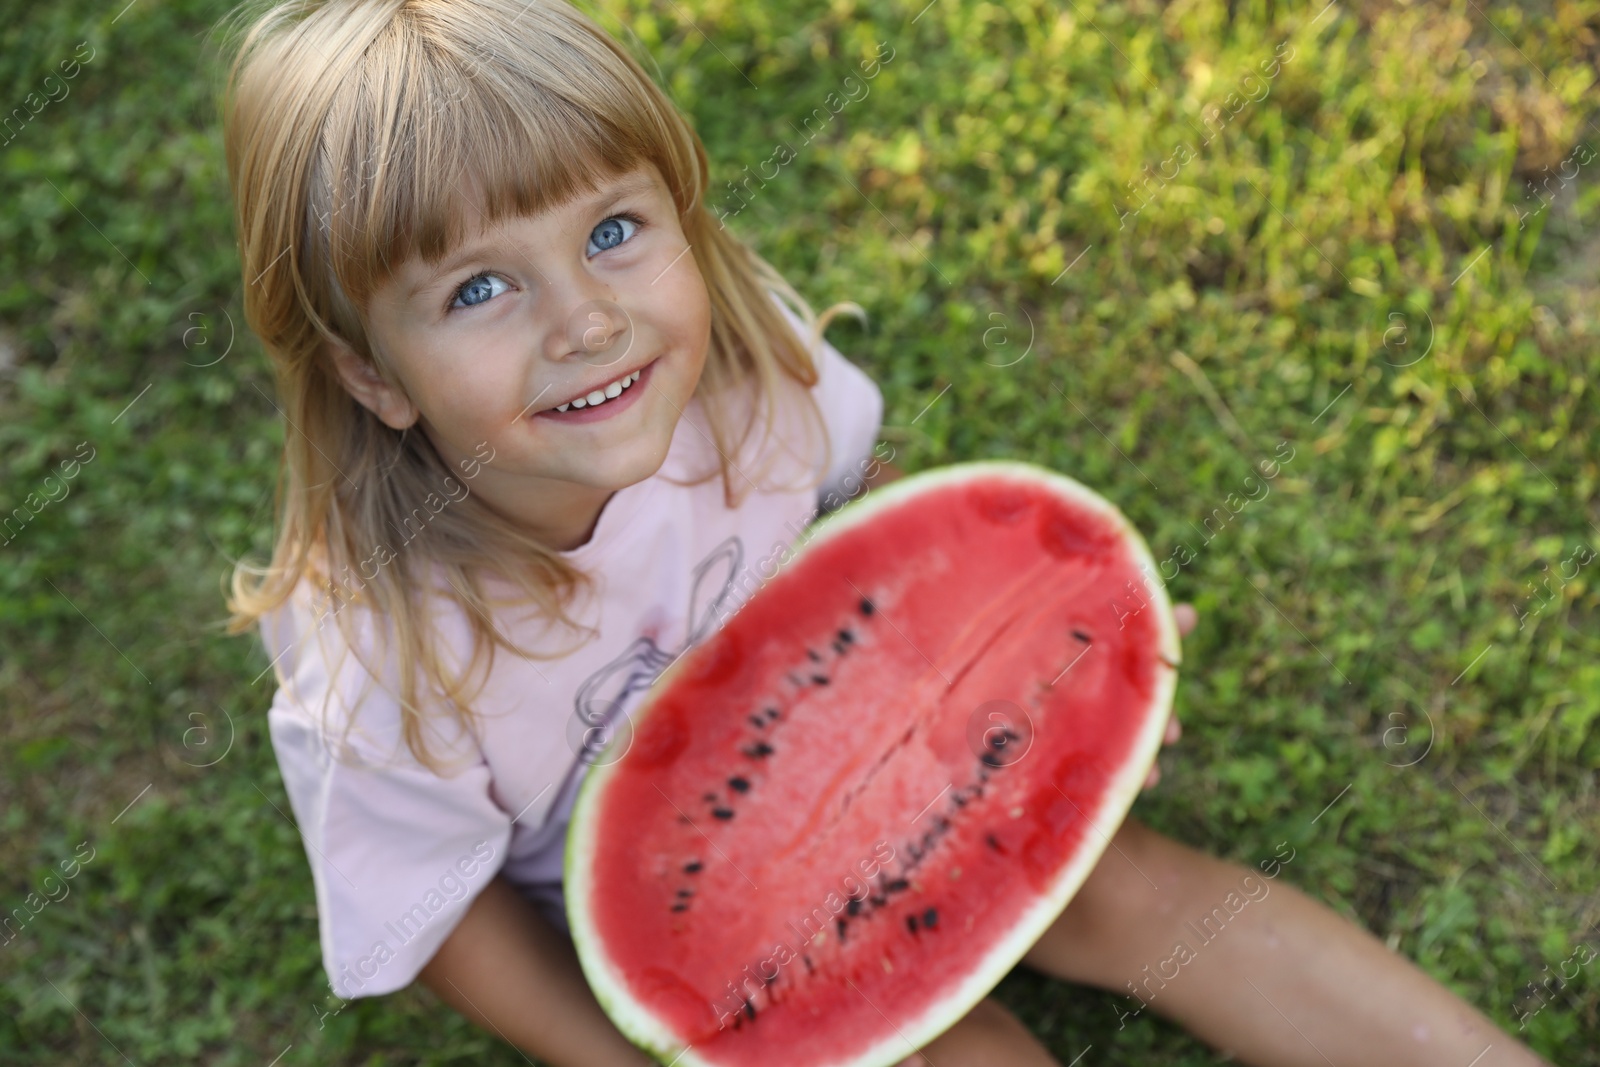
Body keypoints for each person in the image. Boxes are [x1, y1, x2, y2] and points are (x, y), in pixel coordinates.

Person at [215, 1, 1550, 1063]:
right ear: (372, 377)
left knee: (1130, 890)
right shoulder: (380, 662)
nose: (585, 319)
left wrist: (1058, 673)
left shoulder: (741, 381)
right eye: (481, 288)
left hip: (876, 735)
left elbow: (870, 529)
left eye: (614, 230)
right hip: (695, 927)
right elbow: (440, 916)